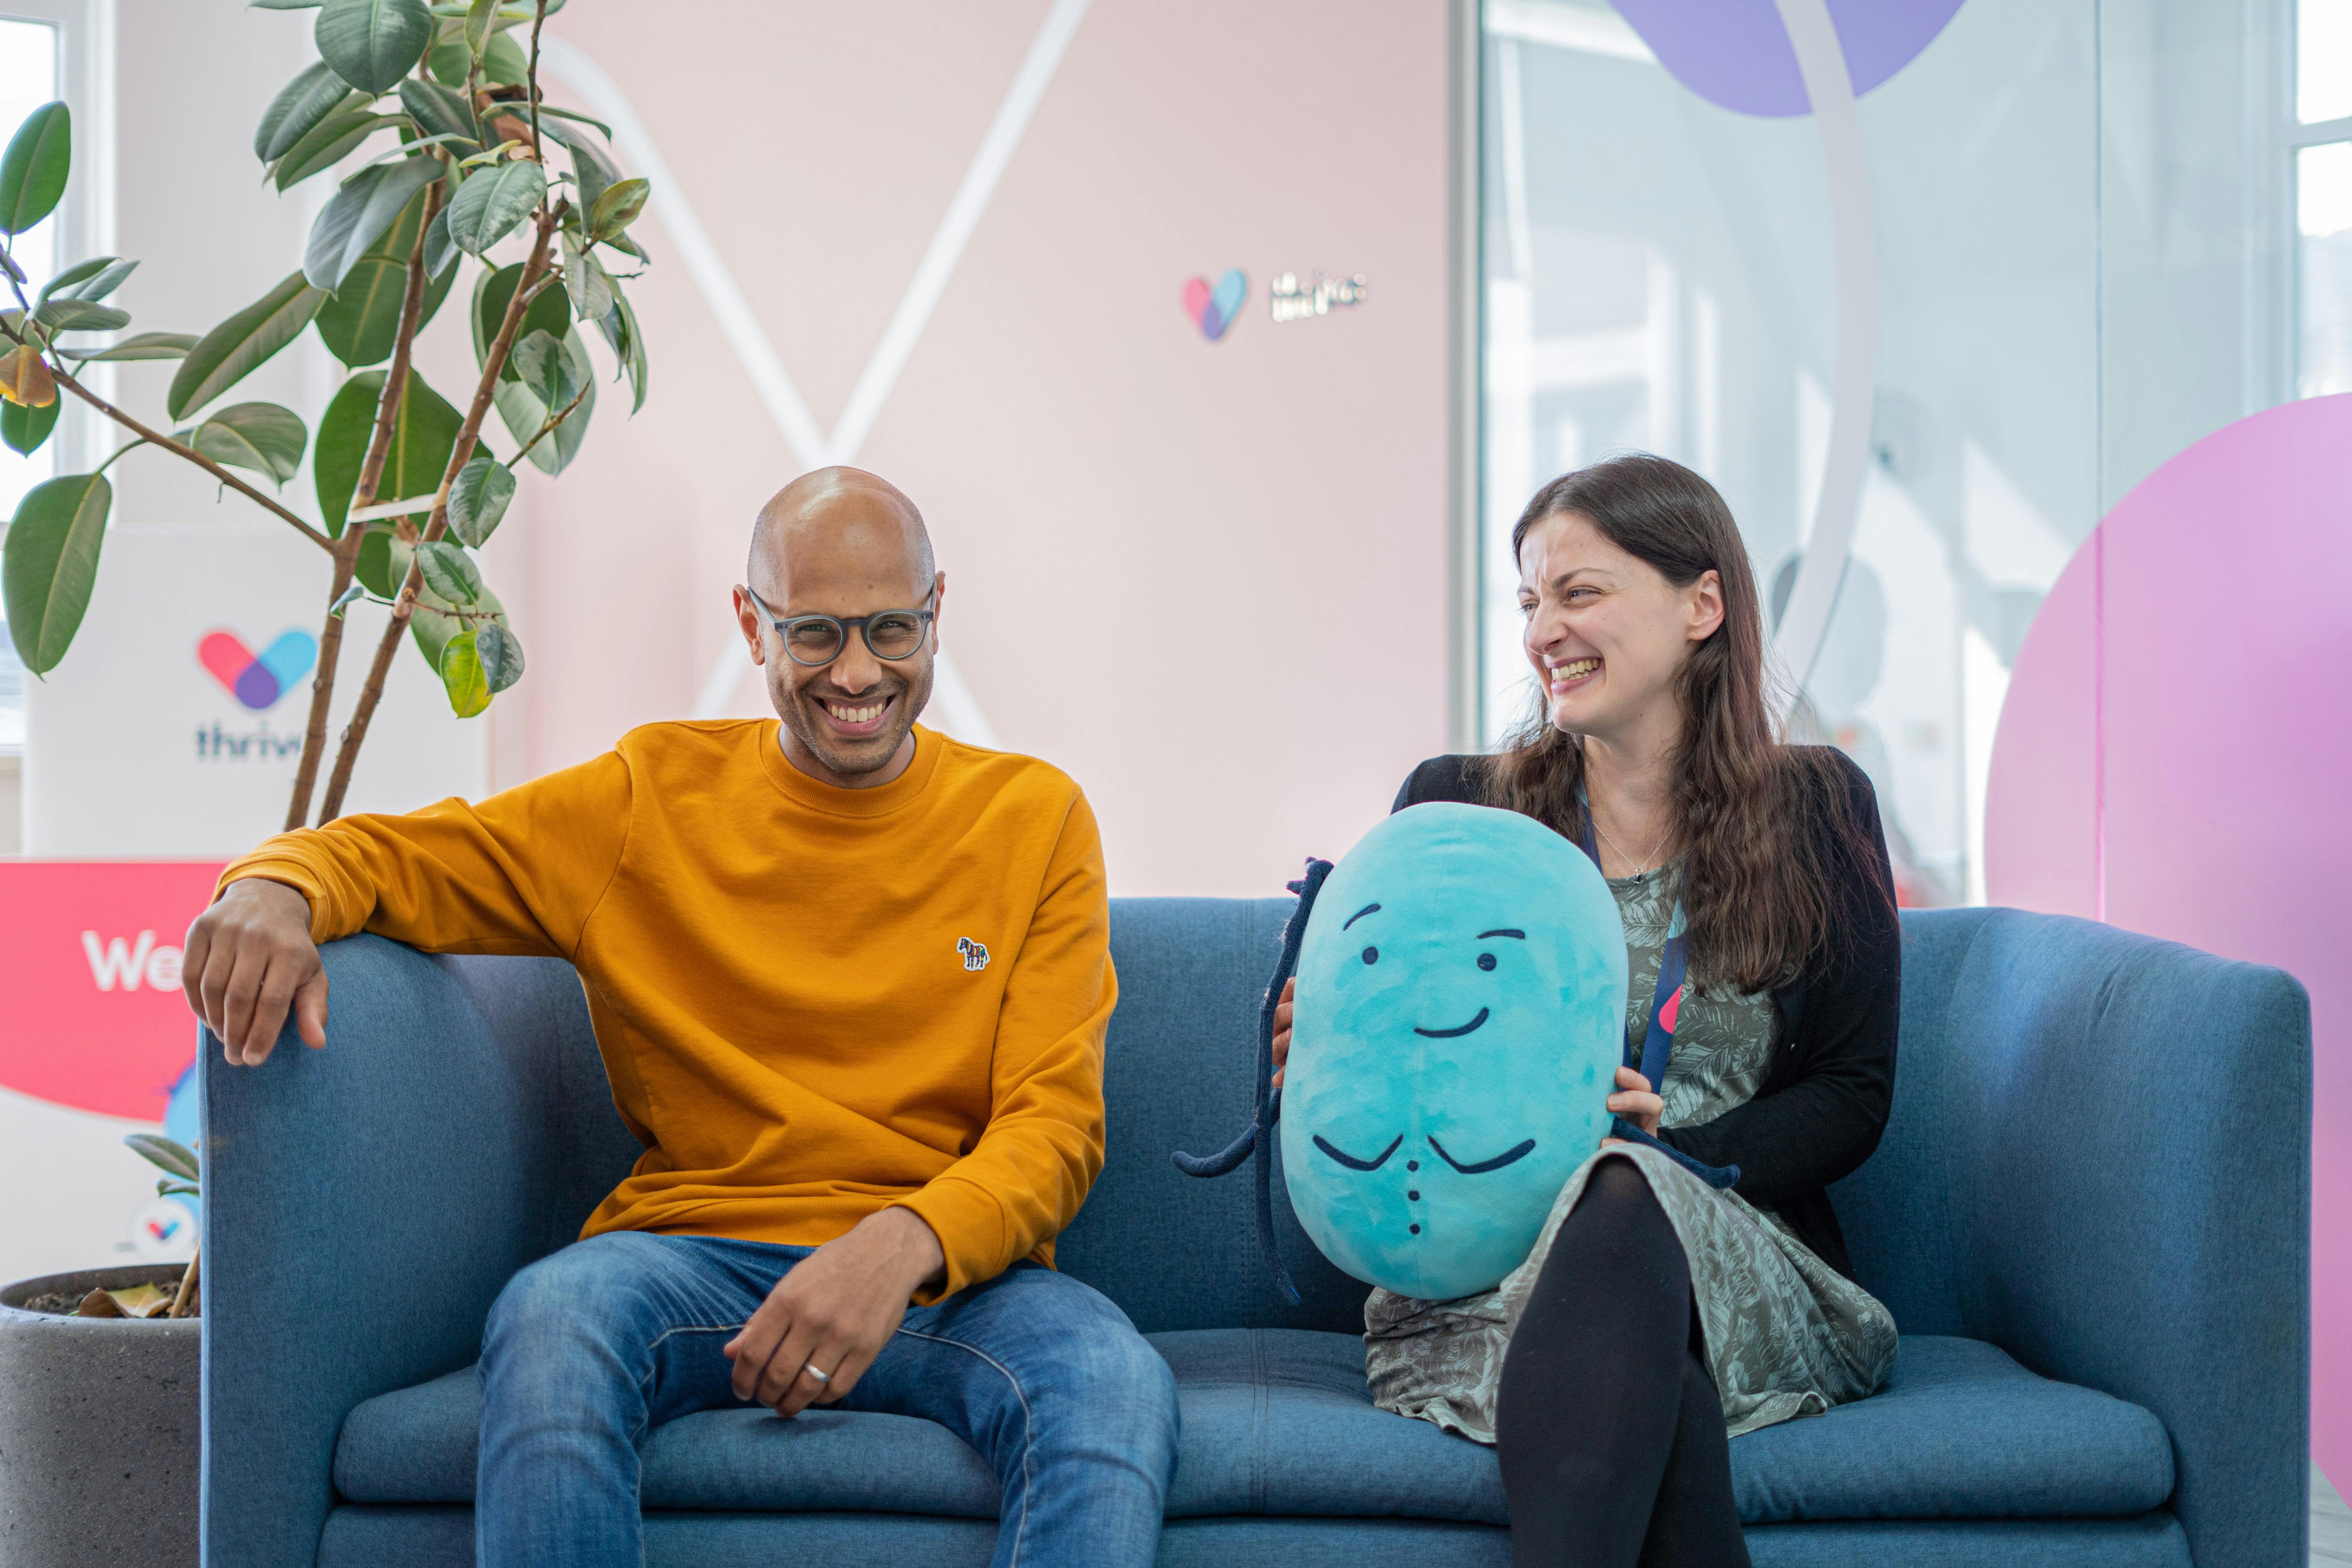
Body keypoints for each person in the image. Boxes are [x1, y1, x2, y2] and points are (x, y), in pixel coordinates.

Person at [180, 467, 1177, 1568]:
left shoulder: (1034, 819)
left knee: (1108, 1379)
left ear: (939, 608)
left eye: (893, 628)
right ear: (751, 624)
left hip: (959, 1283)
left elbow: (1056, 1127)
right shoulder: (646, 799)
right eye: (815, 633)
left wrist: (899, 1246)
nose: (859, 672)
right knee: (552, 1325)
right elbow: (401, 857)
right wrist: (272, 886)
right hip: (692, 1260)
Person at [1276, 454, 1900, 1566]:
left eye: (1580, 592)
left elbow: (1853, 1096)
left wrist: (1681, 1148)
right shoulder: (1459, 808)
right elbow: (1397, 1041)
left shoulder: (1816, 806)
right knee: (1658, 1392)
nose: (1542, 631)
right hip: (1489, 1270)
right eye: (1529, 601)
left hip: (1736, 1251)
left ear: (1702, 606)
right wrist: (1339, 1050)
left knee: (1623, 1184)